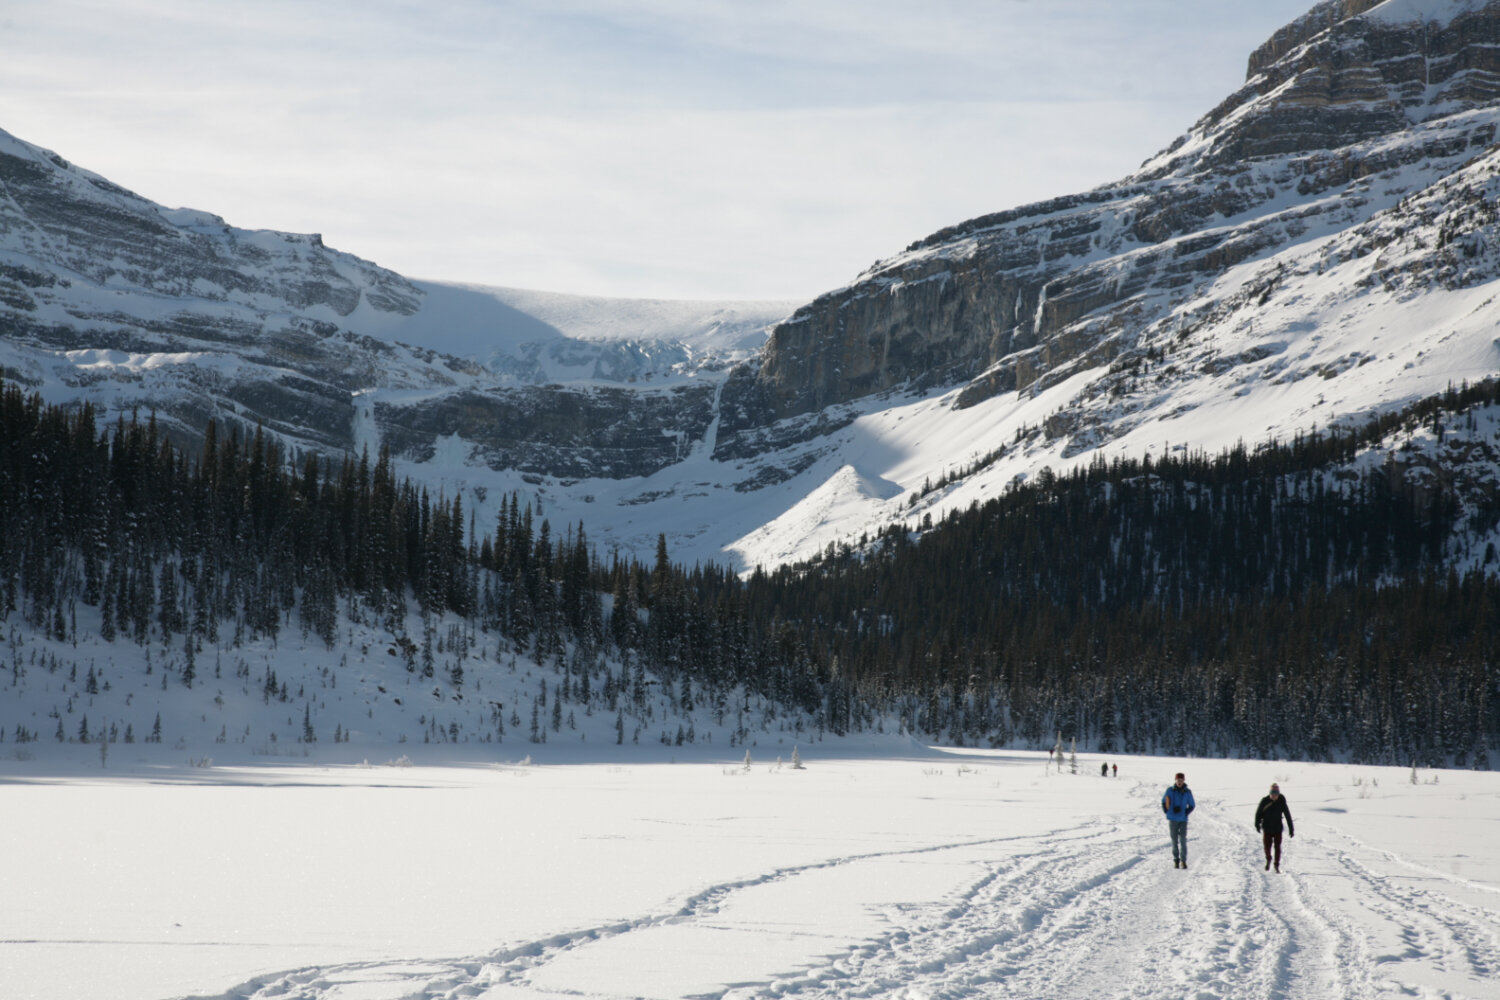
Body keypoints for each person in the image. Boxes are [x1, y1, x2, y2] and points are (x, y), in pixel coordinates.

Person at [1254, 782, 1294, 872]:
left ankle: (1276, 865)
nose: (1274, 795)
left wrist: (1291, 828)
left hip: (1277, 829)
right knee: (1267, 847)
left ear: (1278, 794)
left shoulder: (1281, 802)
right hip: (1267, 828)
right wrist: (1257, 824)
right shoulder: (1264, 801)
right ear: (1270, 793)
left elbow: (1287, 815)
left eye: (1276, 794)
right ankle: (1268, 859)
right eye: (1272, 793)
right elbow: (1258, 813)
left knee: (1277, 847)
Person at [1162, 772, 1195, 868]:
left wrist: (1186, 812)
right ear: (1175, 780)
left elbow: (1192, 805)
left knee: (1183, 840)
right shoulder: (1169, 790)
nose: (1179, 782)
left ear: (1184, 780)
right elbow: (1164, 802)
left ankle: (1183, 861)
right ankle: (1176, 860)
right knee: (1174, 840)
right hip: (1172, 819)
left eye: (1181, 780)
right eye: (1178, 780)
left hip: (1183, 820)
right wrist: (1167, 812)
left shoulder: (1187, 792)